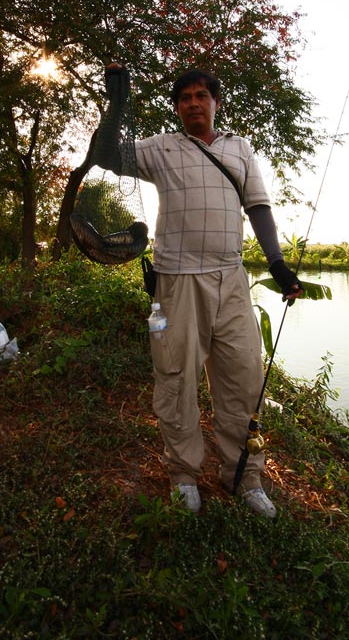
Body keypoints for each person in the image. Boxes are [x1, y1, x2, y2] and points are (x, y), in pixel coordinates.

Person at [107, 65, 302, 516]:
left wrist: (277, 264)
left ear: (215, 102)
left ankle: (244, 477)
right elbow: (107, 156)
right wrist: (115, 104)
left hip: (231, 280)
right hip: (176, 281)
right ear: (177, 108)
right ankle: (183, 474)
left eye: (201, 95)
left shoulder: (239, 149)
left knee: (242, 379)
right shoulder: (161, 148)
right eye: (185, 98)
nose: (193, 103)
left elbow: (258, 208)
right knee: (175, 380)